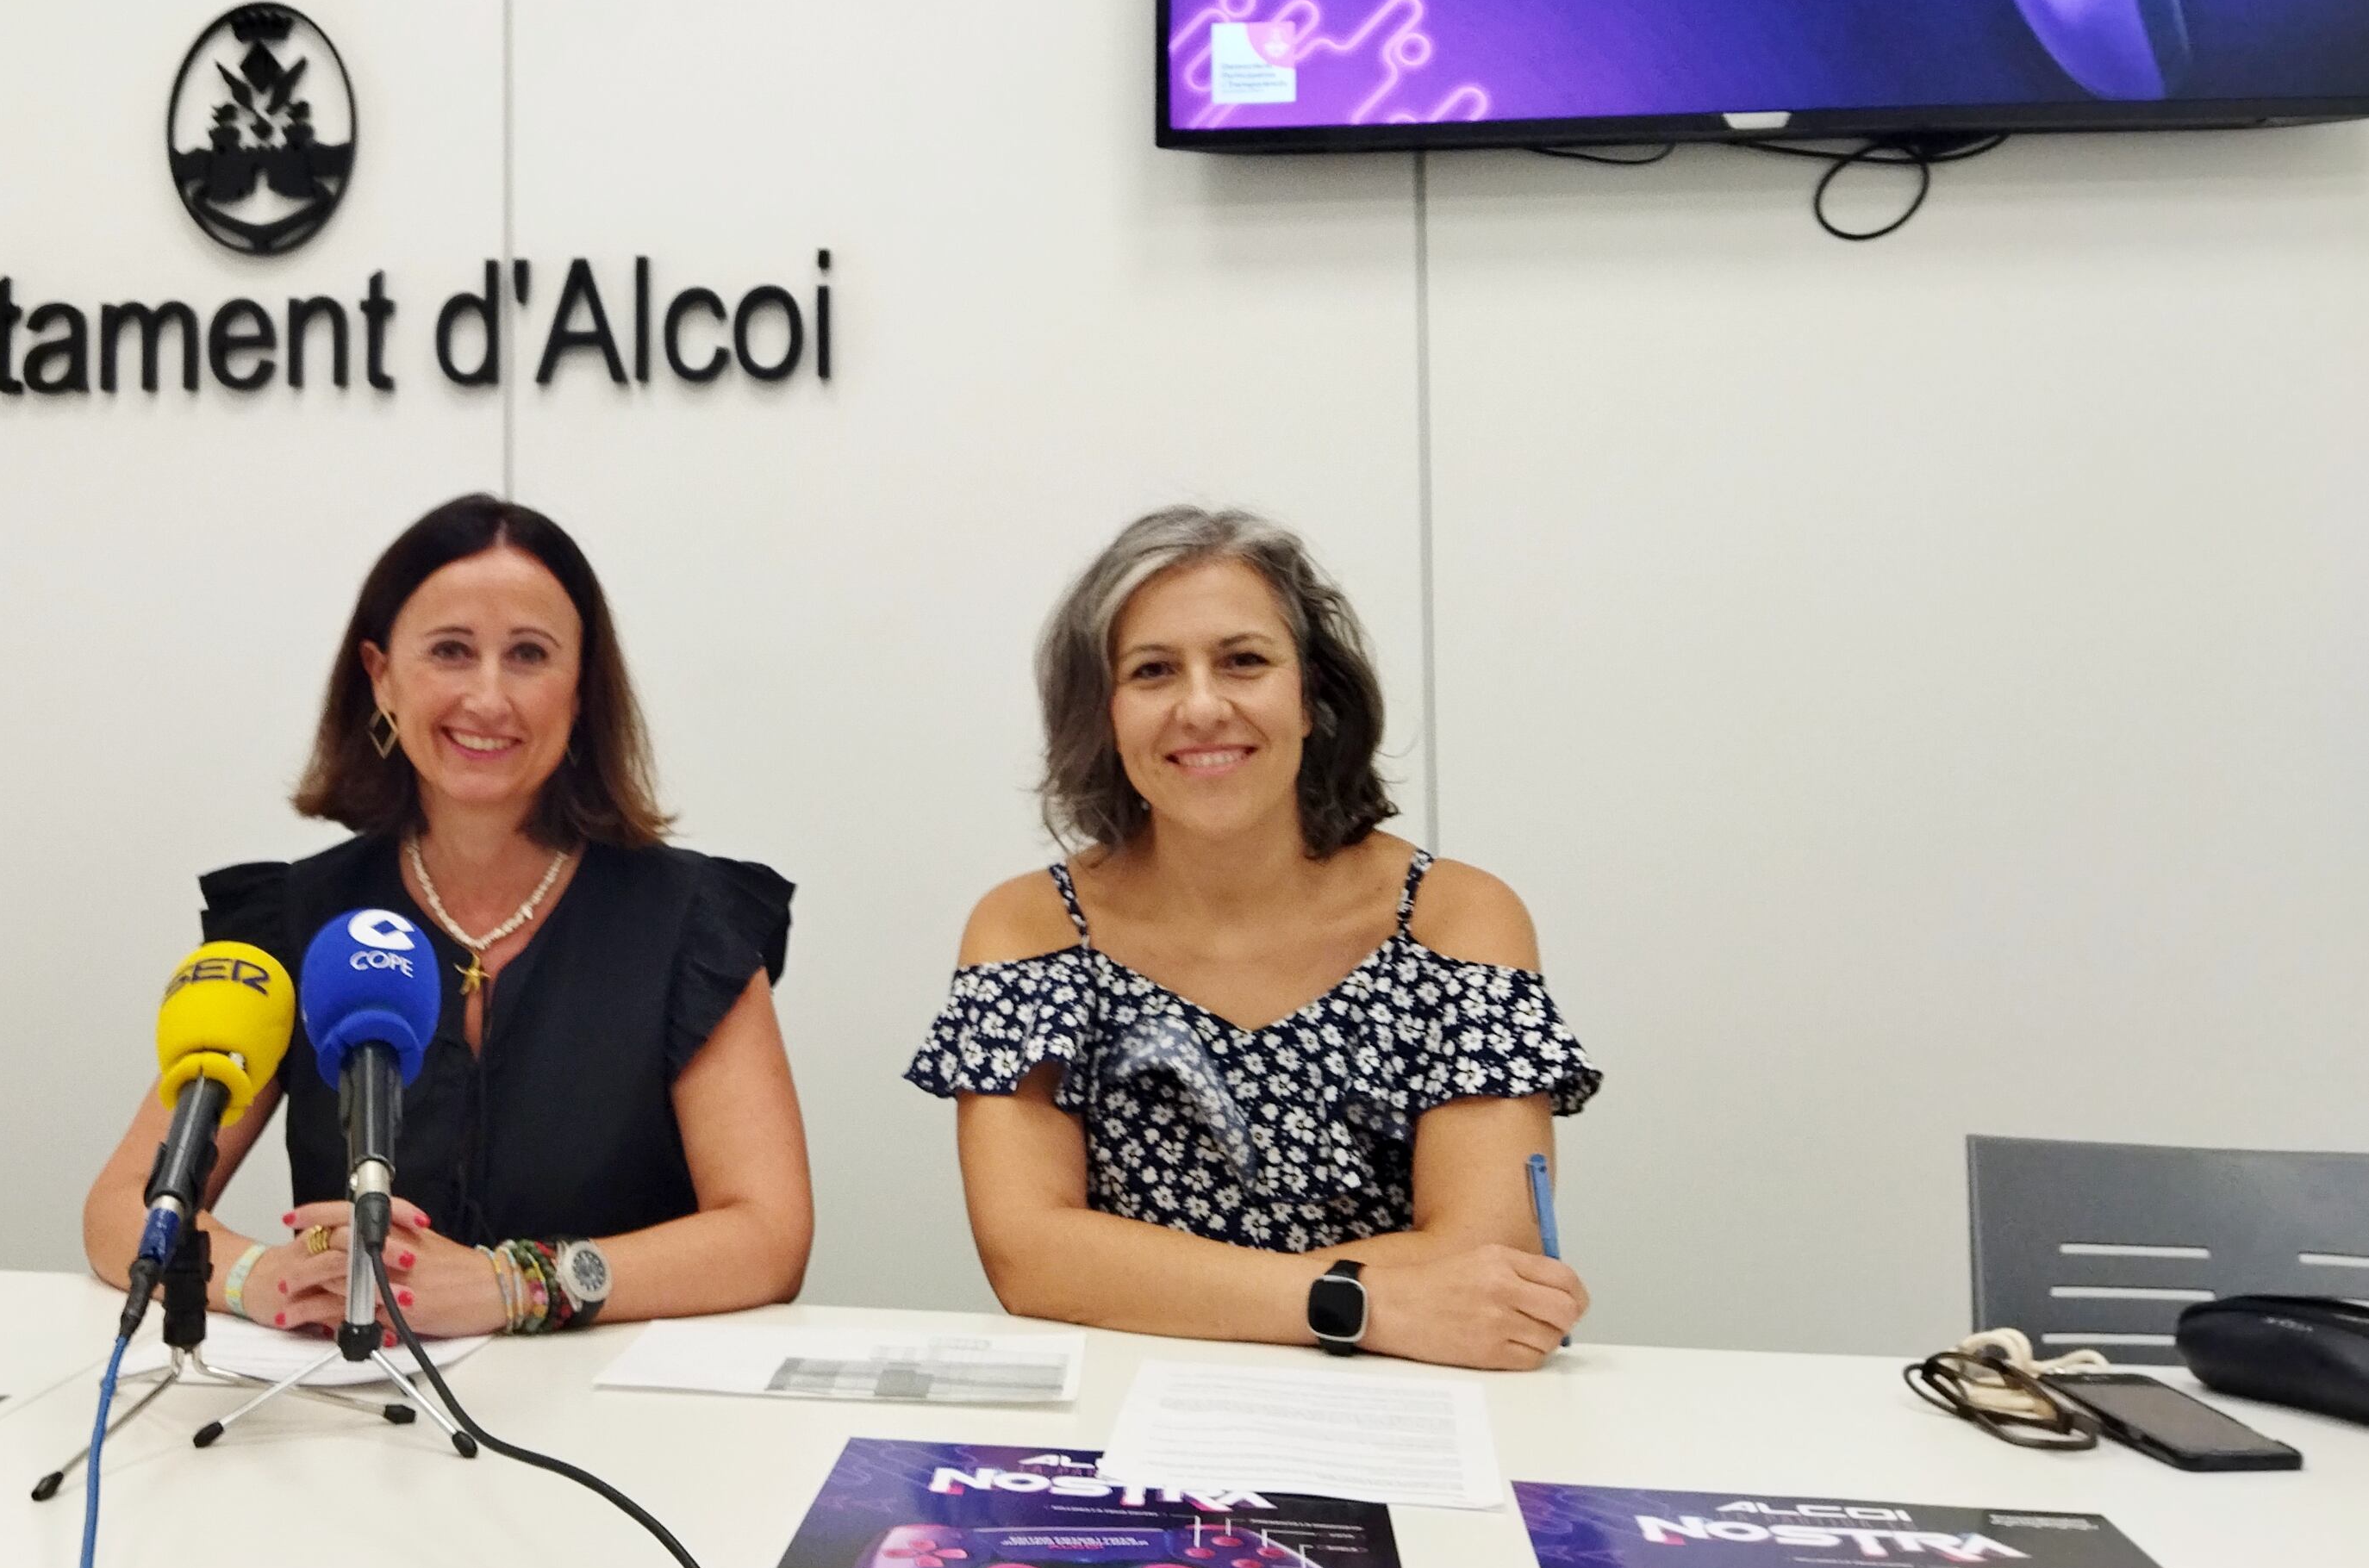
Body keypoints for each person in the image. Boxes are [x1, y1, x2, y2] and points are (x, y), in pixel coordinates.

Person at [85, 492, 812, 1340]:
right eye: (450, 651)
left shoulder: (687, 921)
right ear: (381, 676)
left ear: (582, 689)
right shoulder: (294, 920)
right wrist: (254, 1277)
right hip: (356, 1399)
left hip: (615, 1402)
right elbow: (120, 1207)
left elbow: (768, 1237)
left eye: (529, 654)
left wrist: (513, 1285)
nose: (488, 697)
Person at [907, 506, 1600, 1369]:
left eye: (1242, 660)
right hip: (1127, 1401)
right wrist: (1361, 1302)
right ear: (1104, 714)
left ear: (1310, 697)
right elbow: (1032, 1258)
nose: (1201, 706)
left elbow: (1483, 1252)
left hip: (1404, 1403)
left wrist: (1150, 1280)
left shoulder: (1455, 919)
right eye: (1153, 671)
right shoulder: (1028, 930)